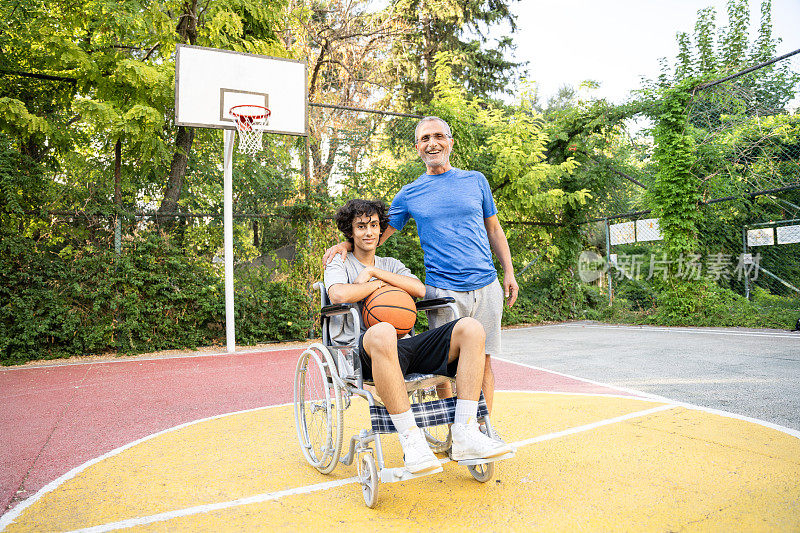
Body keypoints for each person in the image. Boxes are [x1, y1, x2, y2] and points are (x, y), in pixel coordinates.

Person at [324, 116, 518, 418]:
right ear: (417, 147)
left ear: (450, 142)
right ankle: (453, 427)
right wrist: (347, 245)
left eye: (438, 136)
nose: (432, 143)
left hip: (486, 284)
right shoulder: (410, 193)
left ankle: (483, 428)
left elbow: (493, 229)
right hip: (442, 289)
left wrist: (509, 271)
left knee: (484, 362)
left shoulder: (476, 181)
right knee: (441, 368)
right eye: (425, 138)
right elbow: (376, 234)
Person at [324, 198, 513, 474]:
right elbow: (338, 294)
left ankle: (464, 431)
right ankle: (411, 440)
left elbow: (419, 290)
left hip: (403, 348)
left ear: (380, 229)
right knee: (384, 329)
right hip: (362, 352)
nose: (369, 232)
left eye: (374, 225)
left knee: (471, 328)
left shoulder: (390, 263)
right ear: (350, 233)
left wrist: (376, 274)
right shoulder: (340, 261)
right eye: (361, 226)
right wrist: (379, 287)